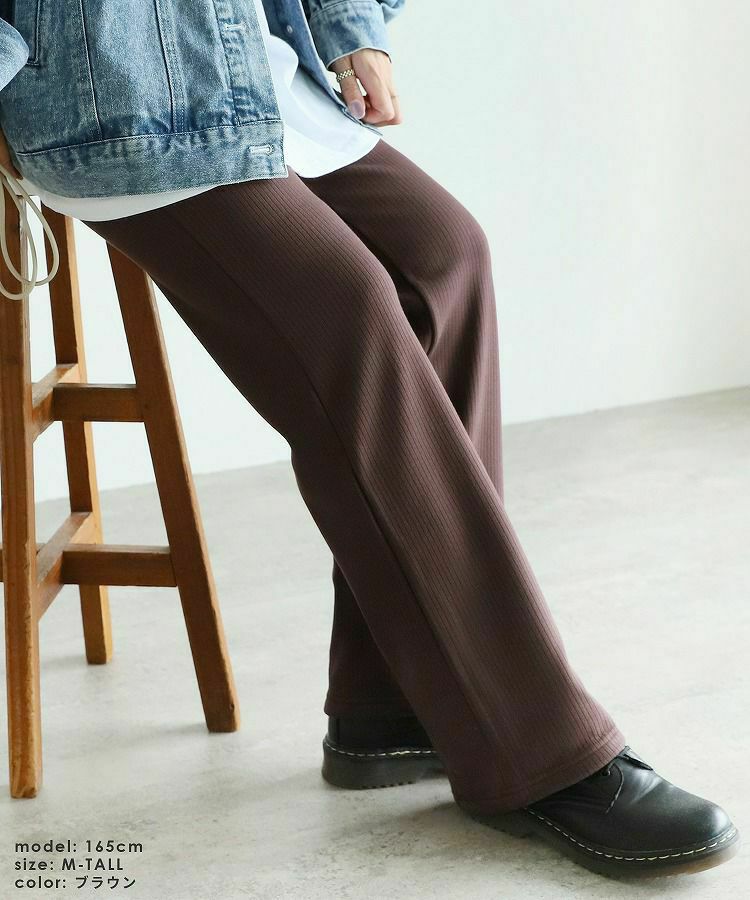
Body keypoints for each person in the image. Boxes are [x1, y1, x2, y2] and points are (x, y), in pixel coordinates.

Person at [0, 0, 739, 879]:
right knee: (348, 308)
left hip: (254, 68)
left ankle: (388, 703)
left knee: (447, 256)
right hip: (116, 101)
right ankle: (538, 749)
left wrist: (351, 29)